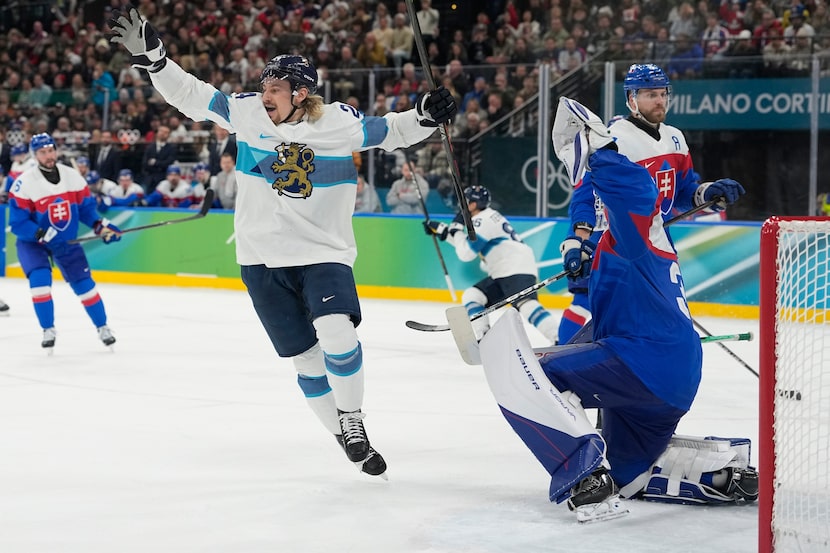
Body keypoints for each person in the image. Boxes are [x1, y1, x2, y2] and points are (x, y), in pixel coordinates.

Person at [109, 5, 456, 477]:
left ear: (301, 92)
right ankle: (341, 432)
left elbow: (392, 131)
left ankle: (352, 418)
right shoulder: (249, 113)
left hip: (322, 252)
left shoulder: (337, 122)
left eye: (275, 87)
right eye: (265, 85)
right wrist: (155, 59)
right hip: (259, 258)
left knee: (337, 330)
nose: (264, 92)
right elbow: (193, 96)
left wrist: (426, 114)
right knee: (305, 359)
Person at [470, 98, 757, 524]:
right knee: (628, 474)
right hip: (672, 383)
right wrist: (581, 248)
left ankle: (583, 474)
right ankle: (721, 474)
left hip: (644, 364)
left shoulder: (637, 233)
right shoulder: (622, 250)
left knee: (520, 368)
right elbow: (599, 332)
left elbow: (636, 192)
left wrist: (599, 151)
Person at [558, 64, 745, 344]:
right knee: (588, 301)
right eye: (649, 95)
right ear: (631, 99)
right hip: (613, 238)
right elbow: (586, 193)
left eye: (662, 93)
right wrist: (577, 239)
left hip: (656, 243)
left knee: (653, 311)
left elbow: (683, 192)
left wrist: (709, 194)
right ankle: (561, 353)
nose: (659, 100)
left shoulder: (675, 138)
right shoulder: (612, 140)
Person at [6, 133, 122, 351]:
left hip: (64, 241)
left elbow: (87, 210)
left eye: (51, 151)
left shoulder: (73, 177)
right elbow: (18, 223)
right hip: (33, 243)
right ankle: (48, 329)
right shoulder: (23, 184)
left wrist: (101, 226)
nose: (48, 156)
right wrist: (40, 234)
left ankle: (103, 327)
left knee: (85, 287)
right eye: (43, 152)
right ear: (35, 155)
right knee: (40, 284)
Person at [424, 185, 559, 344]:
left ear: (473, 205)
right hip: (506, 269)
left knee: (525, 304)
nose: (461, 207)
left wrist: (455, 229)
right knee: (473, 296)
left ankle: (558, 338)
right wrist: (444, 232)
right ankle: (485, 337)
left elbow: (466, 253)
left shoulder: (482, 220)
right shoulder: (486, 217)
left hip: (512, 267)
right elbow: (468, 245)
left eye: (464, 202)